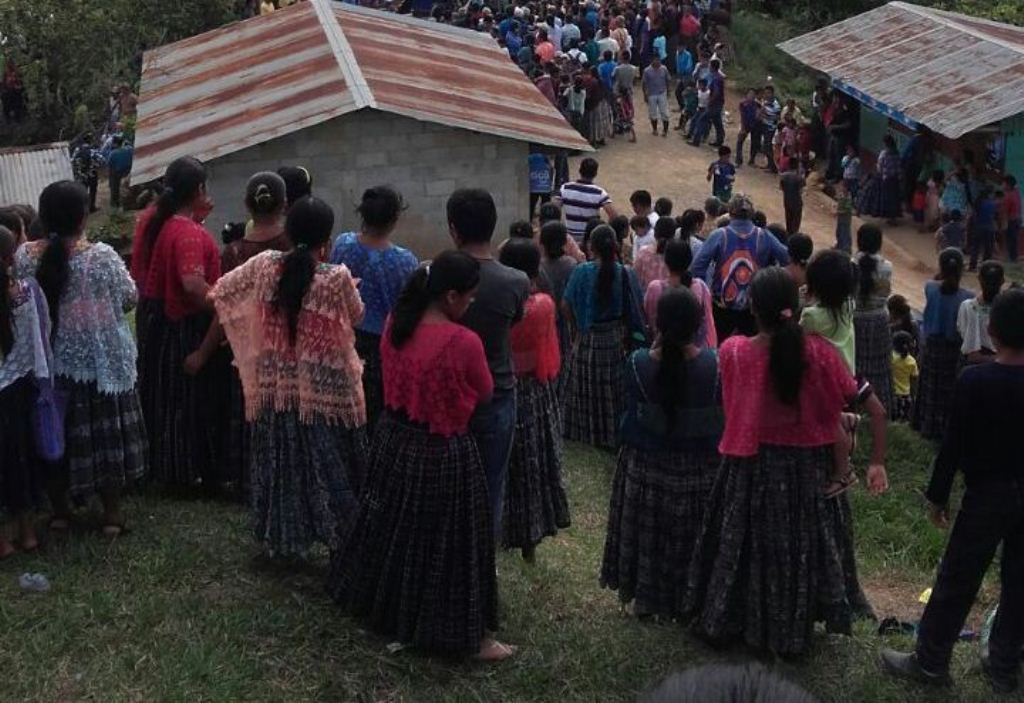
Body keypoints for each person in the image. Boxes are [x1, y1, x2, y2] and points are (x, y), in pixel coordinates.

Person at [685, 267, 888, 656]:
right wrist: (876, 461)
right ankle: (795, 625)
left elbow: (734, 407)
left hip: (748, 468)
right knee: (800, 548)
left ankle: (733, 616)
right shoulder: (823, 355)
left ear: (752, 308)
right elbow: (875, 410)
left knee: (743, 543)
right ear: (794, 308)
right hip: (806, 473)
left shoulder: (734, 352)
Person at [328, 251, 514, 661]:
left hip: (394, 441)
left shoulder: (398, 322)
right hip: (441, 449)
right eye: (468, 298)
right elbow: (484, 391)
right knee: (451, 542)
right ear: (450, 296)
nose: (470, 306)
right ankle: (463, 633)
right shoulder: (462, 341)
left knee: (395, 528)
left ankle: (389, 604)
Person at [881, 288, 1024, 695]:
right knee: (1020, 582)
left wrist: (937, 497)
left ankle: (930, 662)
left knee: (958, 578)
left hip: (985, 497)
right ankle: (1004, 666)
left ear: (992, 331)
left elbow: (953, 446)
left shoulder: (975, 380)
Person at [211, 196, 366, 556]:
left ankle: (282, 542)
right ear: (326, 241)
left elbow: (220, 293)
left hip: (275, 390)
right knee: (328, 471)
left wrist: (255, 321)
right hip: (324, 396)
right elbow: (355, 316)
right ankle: (338, 540)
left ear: (288, 230)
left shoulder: (264, 266)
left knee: (282, 470)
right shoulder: (336, 278)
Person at [17, 181, 147, 537]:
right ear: (82, 216)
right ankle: (112, 514)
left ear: (43, 216)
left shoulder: (25, 257)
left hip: (48, 367)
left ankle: (59, 512)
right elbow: (129, 298)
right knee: (106, 440)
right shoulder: (102, 256)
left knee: (55, 436)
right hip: (101, 364)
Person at [601, 288, 723, 617]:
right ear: (699, 323)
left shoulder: (638, 364)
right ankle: (693, 597)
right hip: (700, 474)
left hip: (646, 471)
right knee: (692, 540)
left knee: (650, 541)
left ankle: (646, 599)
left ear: (657, 323)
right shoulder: (715, 366)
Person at [189, 172, 292, 497]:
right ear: (285, 205)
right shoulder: (293, 249)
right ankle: (280, 475)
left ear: (247, 206)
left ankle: (246, 479)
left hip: (242, 352)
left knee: (246, 415)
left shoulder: (233, 252)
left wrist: (203, 352)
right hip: (284, 350)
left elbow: (225, 309)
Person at [131, 156, 223, 488]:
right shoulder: (185, 232)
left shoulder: (160, 220)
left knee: (161, 396)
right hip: (182, 325)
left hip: (159, 320)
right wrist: (227, 305)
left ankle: (160, 466)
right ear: (199, 189)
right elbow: (193, 286)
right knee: (181, 401)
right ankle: (180, 472)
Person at [449, 189, 529, 536]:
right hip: (497, 394)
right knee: (491, 485)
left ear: (454, 229)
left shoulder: (436, 273)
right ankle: (482, 565)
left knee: (449, 485)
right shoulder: (515, 281)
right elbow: (513, 324)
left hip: (449, 394)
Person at [497, 240, 570, 562]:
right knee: (531, 463)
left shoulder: (495, 303)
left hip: (500, 385)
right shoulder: (542, 306)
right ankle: (529, 542)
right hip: (532, 391)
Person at [330, 186, 417, 429]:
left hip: (345, 344)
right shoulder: (405, 261)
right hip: (385, 349)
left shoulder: (343, 245)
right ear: (394, 219)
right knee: (379, 416)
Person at [562, 225, 644, 449]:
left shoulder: (582, 271)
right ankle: (611, 431)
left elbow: (566, 304)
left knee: (584, 386)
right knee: (612, 388)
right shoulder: (624, 271)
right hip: (614, 339)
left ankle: (584, 431)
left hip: (587, 338)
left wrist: (576, 328)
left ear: (591, 246)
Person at [0, 227, 48, 557]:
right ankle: (28, 532)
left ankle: (3, 541)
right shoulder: (26, 293)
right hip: (19, 388)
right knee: (20, 460)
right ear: (9, 258)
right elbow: (38, 341)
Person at [800, 250, 862, 498]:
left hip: (827, 380)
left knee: (830, 421)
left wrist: (806, 304)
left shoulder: (812, 316)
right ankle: (849, 420)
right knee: (835, 416)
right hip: (847, 374)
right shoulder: (848, 305)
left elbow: (801, 337)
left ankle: (843, 472)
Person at [690, 195, 790, 340]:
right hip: (752, 307)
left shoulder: (719, 235)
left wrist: (707, 289)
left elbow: (697, 267)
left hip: (721, 305)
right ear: (751, 214)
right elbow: (786, 258)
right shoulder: (764, 236)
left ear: (730, 212)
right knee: (751, 348)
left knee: (718, 344)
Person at [912, 248, 974, 440]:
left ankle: (925, 425)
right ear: (961, 271)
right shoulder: (968, 296)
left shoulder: (930, 287)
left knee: (929, 385)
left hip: (931, 346)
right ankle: (944, 429)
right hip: (953, 349)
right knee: (948, 390)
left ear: (941, 268)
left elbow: (937, 280)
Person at [852, 224, 895, 416]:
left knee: (857, 364)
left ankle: (856, 406)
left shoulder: (851, 265)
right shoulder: (887, 267)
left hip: (856, 321)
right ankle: (880, 407)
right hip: (879, 322)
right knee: (880, 366)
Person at [644, 238, 717, 350]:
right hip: (696, 353)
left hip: (662, 353)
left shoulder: (655, 288)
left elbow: (651, 321)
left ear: (665, 260)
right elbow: (709, 325)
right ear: (689, 260)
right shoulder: (700, 287)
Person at [559, 158, 617, 243]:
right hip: (590, 238)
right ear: (595, 173)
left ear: (580, 170)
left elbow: (554, 208)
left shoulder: (565, 188)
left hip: (569, 237)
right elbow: (614, 216)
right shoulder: (599, 193)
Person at [957, 260, 1004, 366]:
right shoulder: (1009, 308)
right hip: (1004, 363)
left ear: (979, 279)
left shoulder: (968, 306)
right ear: (1003, 281)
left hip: (970, 368)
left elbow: (972, 355)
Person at [634, 218, 675, 290]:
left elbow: (636, 280)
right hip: (671, 298)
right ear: (673, 235)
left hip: (647, 297)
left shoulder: (643, 252)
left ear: (655, 233)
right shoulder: (678, 254)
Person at [890, 331, 918, 422]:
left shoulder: (891, 358)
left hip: (893, 394)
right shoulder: (912, 362)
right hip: (906, 395)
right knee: (904, 420)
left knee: (894, 419)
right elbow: (914, 378)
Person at [969, 187, 997, 271]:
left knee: (975, 248)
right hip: (989, 228)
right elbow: (994, 216)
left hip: (978, 227)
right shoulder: (992, 204)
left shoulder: (978, 202)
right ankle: (985, 267)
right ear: (989, 194)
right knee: (988, 249)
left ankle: (972, 266)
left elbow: (974, 216)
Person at [642, 54, 671, 136]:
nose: (657, 62)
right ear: (652, 60)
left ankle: (665, 130)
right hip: (651, 93)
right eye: (656, 60)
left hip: (662, 92)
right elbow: (644, 83)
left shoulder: (664, 69)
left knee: (664, 112)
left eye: (658, 60)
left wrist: (668, 91)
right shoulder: (647, 71)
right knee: (653, 113)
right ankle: (655, 129)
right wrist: (645, 94)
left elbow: (667, 80)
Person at [612, 51, 637, 143]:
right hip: (629, 92)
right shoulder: (633, 68)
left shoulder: (618, 68)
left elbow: (613, 77)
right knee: (628, 112)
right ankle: (618, 131)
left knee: (620, 112)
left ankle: (617, 131)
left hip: (619, 93)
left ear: (622, 58)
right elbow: (634, 81)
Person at [71, 135, 100, 214]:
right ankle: (92, 207)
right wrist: (95, 166)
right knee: (92, 191)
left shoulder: (77, 150)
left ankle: (83, 209)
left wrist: (78, 171)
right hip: (92, 174)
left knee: (83, 191)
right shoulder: (92, 150)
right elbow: (102, 160)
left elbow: (72, 161)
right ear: (90, 141)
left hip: (81, 175)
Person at [778, 160, 805, 236]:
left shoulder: (783, 176)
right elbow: (801, 191)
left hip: (787, 200)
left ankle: (788, 234)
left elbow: (781, 188)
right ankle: (794, 235)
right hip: (797, 201)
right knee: (796, 221)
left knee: (788, 219)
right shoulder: (799, 178)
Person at [758, 86, 781, 173]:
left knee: (768, 147)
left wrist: (766, 116)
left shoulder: (776, 105)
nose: (766, 95)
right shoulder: (765, 102)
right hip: (765, 125)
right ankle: (769, 165)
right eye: (765, 93)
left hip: (770, 128)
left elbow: (776, 118)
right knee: (766, 146)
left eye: (768, 93)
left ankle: (773, 167)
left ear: (772, 93)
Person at [107, 137, 134, 210]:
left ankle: (114, 202)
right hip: (129, 171)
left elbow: (109, 165)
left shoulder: (113, 153)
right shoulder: (130, 149)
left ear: (115, 144)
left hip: (118, 173)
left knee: (113, 182)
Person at [735, 89, 759, 167]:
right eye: (750, 94)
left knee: (754, 143)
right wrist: (743, 128)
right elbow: (742, 116)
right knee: (740, 141)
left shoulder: (757, 104)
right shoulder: (743, 104)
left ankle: (752, 160)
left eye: (753, 94)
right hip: (746, 124)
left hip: (755, 125)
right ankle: (738, 160)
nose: (751, 96)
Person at [528, 150, 554, 217]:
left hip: (533, 186)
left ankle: (530, 219)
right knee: (546, 207)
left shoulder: (530, 157)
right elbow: (551, 169)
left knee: (531, 205)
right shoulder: (545, 157)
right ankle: (545, 220)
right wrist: (550, 182)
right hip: (545, 186)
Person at [1002, 175, 1020, 263]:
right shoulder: (1016, 193)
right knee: (1014, 241)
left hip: (1011, 221)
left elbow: (1005, 212)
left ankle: (1011, 259)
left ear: (1008, 185)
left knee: (1010, 241)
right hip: (1016, 220)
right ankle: (1014, 259)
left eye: (1004, 183)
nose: (1003, 185)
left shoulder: (1008, 196)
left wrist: (1004, 224)